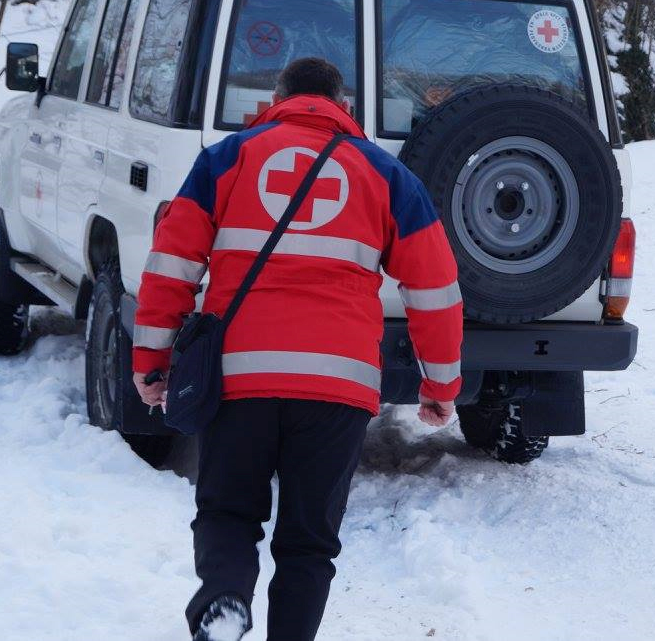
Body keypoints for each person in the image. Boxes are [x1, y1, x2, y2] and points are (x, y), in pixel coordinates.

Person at [131, 57, 463, 641]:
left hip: (239, 377)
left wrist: (152, 361)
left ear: (276, 98)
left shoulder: (225, 159)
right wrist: (440, 386)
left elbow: (170, 267)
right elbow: (434, 290)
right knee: (310, 542)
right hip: (339, 386)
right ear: (345, 107)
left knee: (228, 511)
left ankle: (225, 601)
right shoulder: (387, 176)